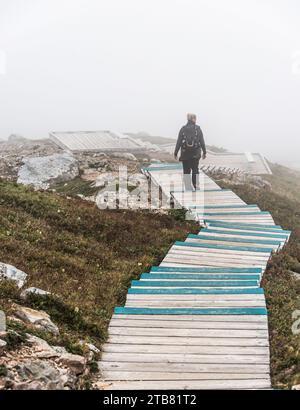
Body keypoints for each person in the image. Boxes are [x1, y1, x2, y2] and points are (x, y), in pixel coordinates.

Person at [174, 113, 207, 190]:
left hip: (185, 154)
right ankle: (196, 185)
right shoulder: (198, 129)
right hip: (195, 154)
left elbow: (179, 141)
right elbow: (202, 141)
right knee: (195, 169)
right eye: (195, 118)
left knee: (186, 171)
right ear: (193, 119)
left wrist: (175, 153)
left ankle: (188, 187)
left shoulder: (183, 129)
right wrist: (204, 152)